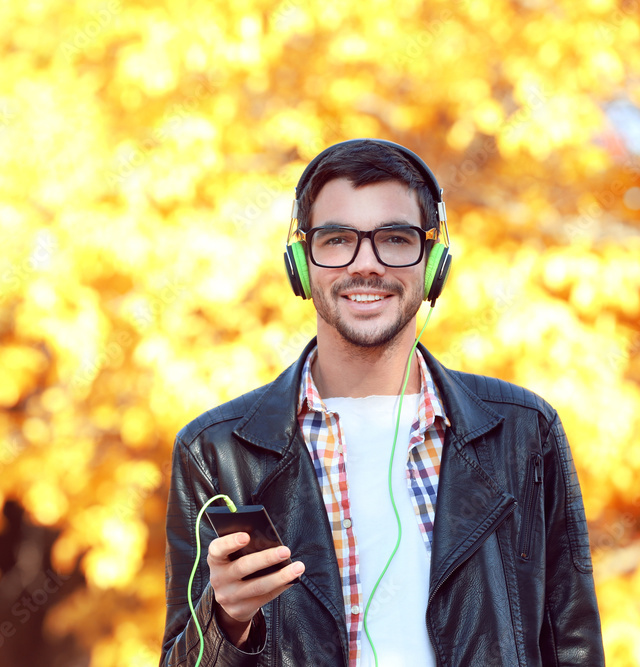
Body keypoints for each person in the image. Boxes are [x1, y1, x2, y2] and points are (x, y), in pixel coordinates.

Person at [160, 139, 605, 666]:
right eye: (337, 239)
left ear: (434, 262)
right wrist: (227, 622)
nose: (366, 264)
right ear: (300, 263)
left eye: (395, 239)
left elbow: (574, 646)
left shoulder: (525, 432)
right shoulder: (214, 451)